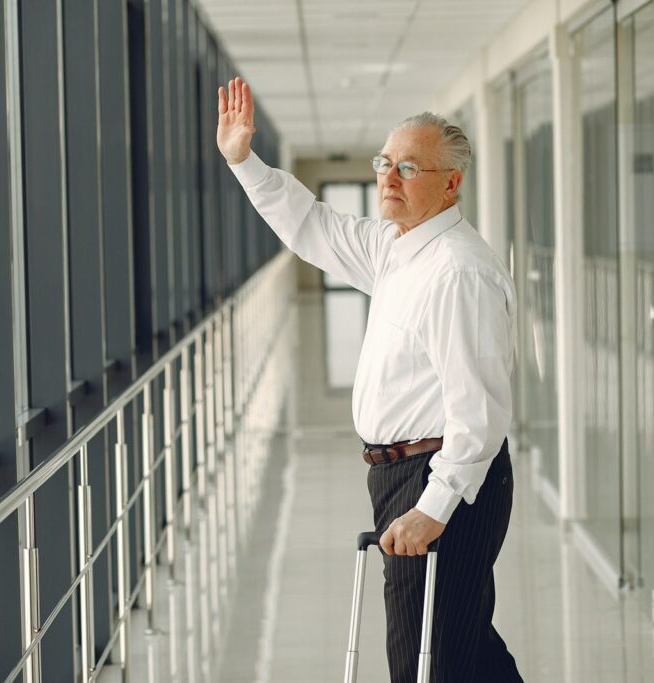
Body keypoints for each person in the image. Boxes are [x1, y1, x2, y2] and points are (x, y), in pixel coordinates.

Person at [216, 76, 524, 682]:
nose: (388, 177)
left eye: (409, 167)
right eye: (385, 163)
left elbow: (479, 410)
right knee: (462, 647)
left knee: (426, 662)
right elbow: (312, 225)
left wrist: (433, 508)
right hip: (400, 474)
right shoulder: (399, 246)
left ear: (451, 183)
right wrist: (244, 161)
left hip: (441, 477)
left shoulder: (458, 271)